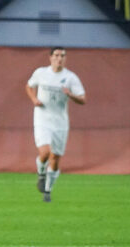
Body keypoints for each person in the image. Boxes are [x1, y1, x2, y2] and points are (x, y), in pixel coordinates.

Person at [25, 46, 86, 203]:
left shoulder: (70, 78)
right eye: (57, 55)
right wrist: (33, 99)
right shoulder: (41, 73)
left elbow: (83, 99)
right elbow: (29, 86)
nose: (60, 58)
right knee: (45, 152)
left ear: (65, 59)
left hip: (60, 122)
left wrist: (70, 95)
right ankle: (40, 172)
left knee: (56, 158)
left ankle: (47, 190)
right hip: (42, 118)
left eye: (63, 56)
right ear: (50, 57)